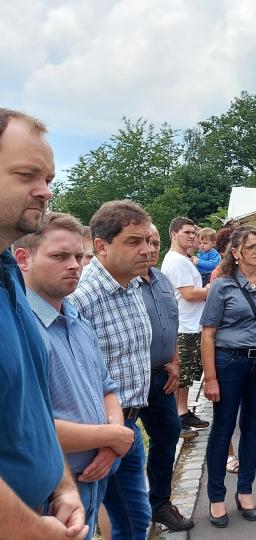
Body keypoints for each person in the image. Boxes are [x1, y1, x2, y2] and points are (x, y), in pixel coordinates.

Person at [14, 212, 134, 539]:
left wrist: (112, 440)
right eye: (59, 256)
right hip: (51, 491)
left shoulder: (77, 319)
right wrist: (111, 436)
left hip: (95, 474)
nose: (74, 266)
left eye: (79, 257)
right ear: (23, 259)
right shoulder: (20, 331)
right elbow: (27, 426)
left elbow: (106, 387)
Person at [0, 108, 88, 539]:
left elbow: (32, 404)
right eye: (26, 175)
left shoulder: (9, 273)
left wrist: (62, 484)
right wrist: (31, 529)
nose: (45, 191)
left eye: (49, 179)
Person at [69, 200, 156, 539]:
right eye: (133, 241)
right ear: (101, 246)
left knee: (136, 521)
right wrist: (108, 440)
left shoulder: (132, 285)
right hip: (94, 437)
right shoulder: (80, 297)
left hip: (128, 428)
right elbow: (76, 380)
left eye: (147, 240)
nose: (146, 249)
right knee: (83, 525)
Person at [200, 227, 256, 528]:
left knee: (251, 428)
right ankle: (216, 497)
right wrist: (210, 378)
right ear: (235, 252)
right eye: (251, 247)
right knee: (223, 429)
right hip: (229, 363)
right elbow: (208, 335)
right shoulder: (222, 285)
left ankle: (245, 490)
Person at [136, 224, 198, 528]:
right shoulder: (125, 282)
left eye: (155, 242)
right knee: (126, 448)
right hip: (129, 379)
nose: (151, 248)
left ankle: (159, 503)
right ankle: (129, 513)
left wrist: (173, 358)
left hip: (160, 376)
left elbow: (171, 320)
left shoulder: (160, 278)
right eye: (145, 242)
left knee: (168, 434)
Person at [160, 217, 211, 437]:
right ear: (173, 234)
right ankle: (176, 421)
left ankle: (183, 412)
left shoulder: (184, 259)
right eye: (187, 232)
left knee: (187, 376)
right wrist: (210, 289)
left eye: (193, 232)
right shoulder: (177, 261)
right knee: (180, 376)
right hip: (183, 326)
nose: (192, 236)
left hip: (190, 325)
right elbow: (189, 294)